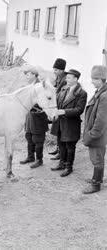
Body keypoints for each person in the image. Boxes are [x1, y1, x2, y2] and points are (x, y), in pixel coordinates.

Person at [50, 69, 87, 177]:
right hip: (60, 123)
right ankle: (61, 163)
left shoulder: (81, 93)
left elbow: (79, 110)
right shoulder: (63, 89)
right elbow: (57, 102)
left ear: (76, 79)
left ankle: (68, 167)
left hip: (71, 124)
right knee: (61, 144)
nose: (66, 79)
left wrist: (64, 111)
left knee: (70, 146)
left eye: (69, 78)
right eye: (66, 77)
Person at [82, 65, 107, 194]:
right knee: (97, 158)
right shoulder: (100, 92)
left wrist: (92, 134)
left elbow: (101, 120)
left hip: (98, 135)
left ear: (101, 79)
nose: (91, 81)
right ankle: (97, 179)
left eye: (94, 79)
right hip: (97, 134)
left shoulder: (104, 95)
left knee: (97, 159)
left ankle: (96, 185)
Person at [19, 67, 49, 169]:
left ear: (34, 75)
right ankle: (30, 157)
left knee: (38, 139)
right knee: (29, 136)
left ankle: (39, 160)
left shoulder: (40, 86)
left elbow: (43, 102)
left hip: (38, 116)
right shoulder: (29, 86)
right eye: (26, 74)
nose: (26, 77)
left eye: (28, 74)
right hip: (29, 116)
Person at [49, 58, 67, 160]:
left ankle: (61, 152)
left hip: (62, 107)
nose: (54, 71)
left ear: (61, 70)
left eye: (56, 69)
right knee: (57, 129)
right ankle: (58, 148)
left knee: (61, 130)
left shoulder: (65, 80)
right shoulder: (59, 77)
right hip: (57, 105)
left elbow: (59, 92)